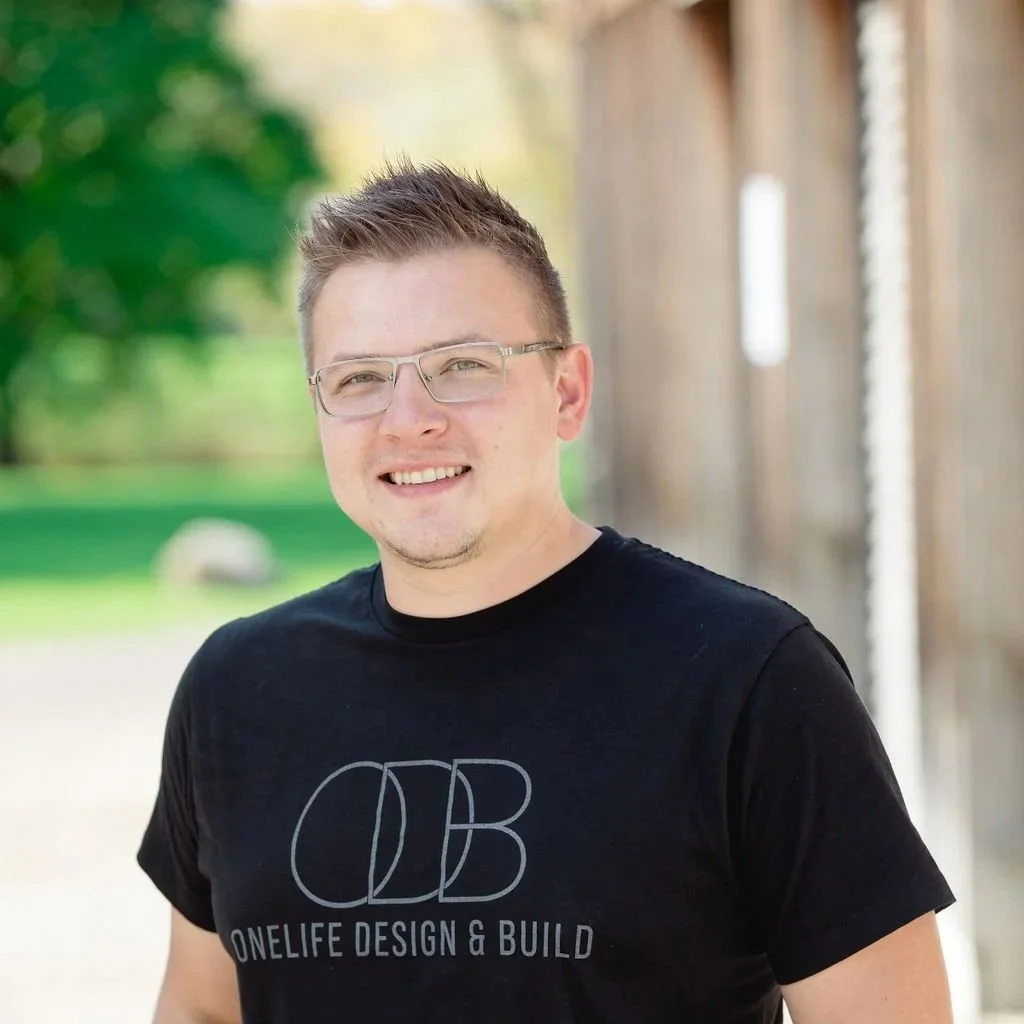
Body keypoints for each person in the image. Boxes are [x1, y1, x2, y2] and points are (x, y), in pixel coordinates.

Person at [138, 160, 956, 1024]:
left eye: (462, 365)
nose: (409, 418)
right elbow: (201, 1010)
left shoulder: (746, 679)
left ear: (566, 392)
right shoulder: (237, 689)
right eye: (359, 379)